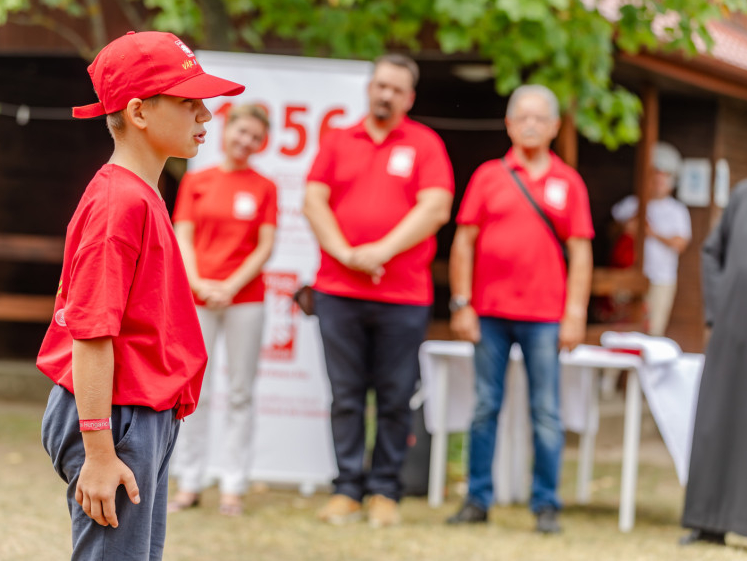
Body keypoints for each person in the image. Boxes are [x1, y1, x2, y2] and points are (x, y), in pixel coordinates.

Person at [36, 31, 244, 560]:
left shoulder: (142, 193)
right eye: (188, 101)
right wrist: (99, 451)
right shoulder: (119, 204)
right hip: (115, 414)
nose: (206, 114)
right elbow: (90, 333)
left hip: (138, 411)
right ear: (138, 112)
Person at [303, 54, 454, 528]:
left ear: (409, 98)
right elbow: (313, 200)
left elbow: (436, 208)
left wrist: (380, 251)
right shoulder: (338, 140)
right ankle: (347, 488)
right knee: (346, 395)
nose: (386, 94)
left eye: (396, 89)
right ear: (370, 89)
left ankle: (386, 489)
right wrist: (345, 253)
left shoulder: (425, 144)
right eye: (381, 85)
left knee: (394, 396)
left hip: (403, 296)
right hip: (338, 290)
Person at [446, 84, 594, 534]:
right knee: (484, 407)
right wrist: (461, 303)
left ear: (555, 126)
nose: (530, 125)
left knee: (546, 411)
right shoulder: (488, 176)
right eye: (522, 117)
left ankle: (546, 503)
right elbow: (463, 243)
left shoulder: (569, 182)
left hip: (546, 316)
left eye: (539, 118)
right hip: (489, 312)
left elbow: (581, 252)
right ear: (509, 125)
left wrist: (575, 313)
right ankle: (477, 498)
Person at [168, 104, 277, 517]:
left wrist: (231, 286)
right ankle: (189, 481)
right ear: (227, 128)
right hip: (198, 297)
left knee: (240, 392)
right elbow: (183, 235)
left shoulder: (265, 187)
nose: (246, 141)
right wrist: (198, 283)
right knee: (195, 391)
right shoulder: (197, 180)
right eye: (241, 132)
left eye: (255, 137)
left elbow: (264, 246)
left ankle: (233, 485)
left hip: (245, 300)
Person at [680, 176, 747, 546]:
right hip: (735, 328)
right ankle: (709, 520)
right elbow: (712, 252)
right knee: (720, 420)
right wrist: (719, 310)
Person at [611, 142, 691, 336]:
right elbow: (611, 232)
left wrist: (652, 233)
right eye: (655, 174)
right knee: (622, 327)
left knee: (652, 330)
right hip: (628, 276)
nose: (659, 180)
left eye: (664, 176)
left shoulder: (677, 210)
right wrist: (626, 227)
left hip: (661, 279)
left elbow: (680, 244)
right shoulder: (631, 203)